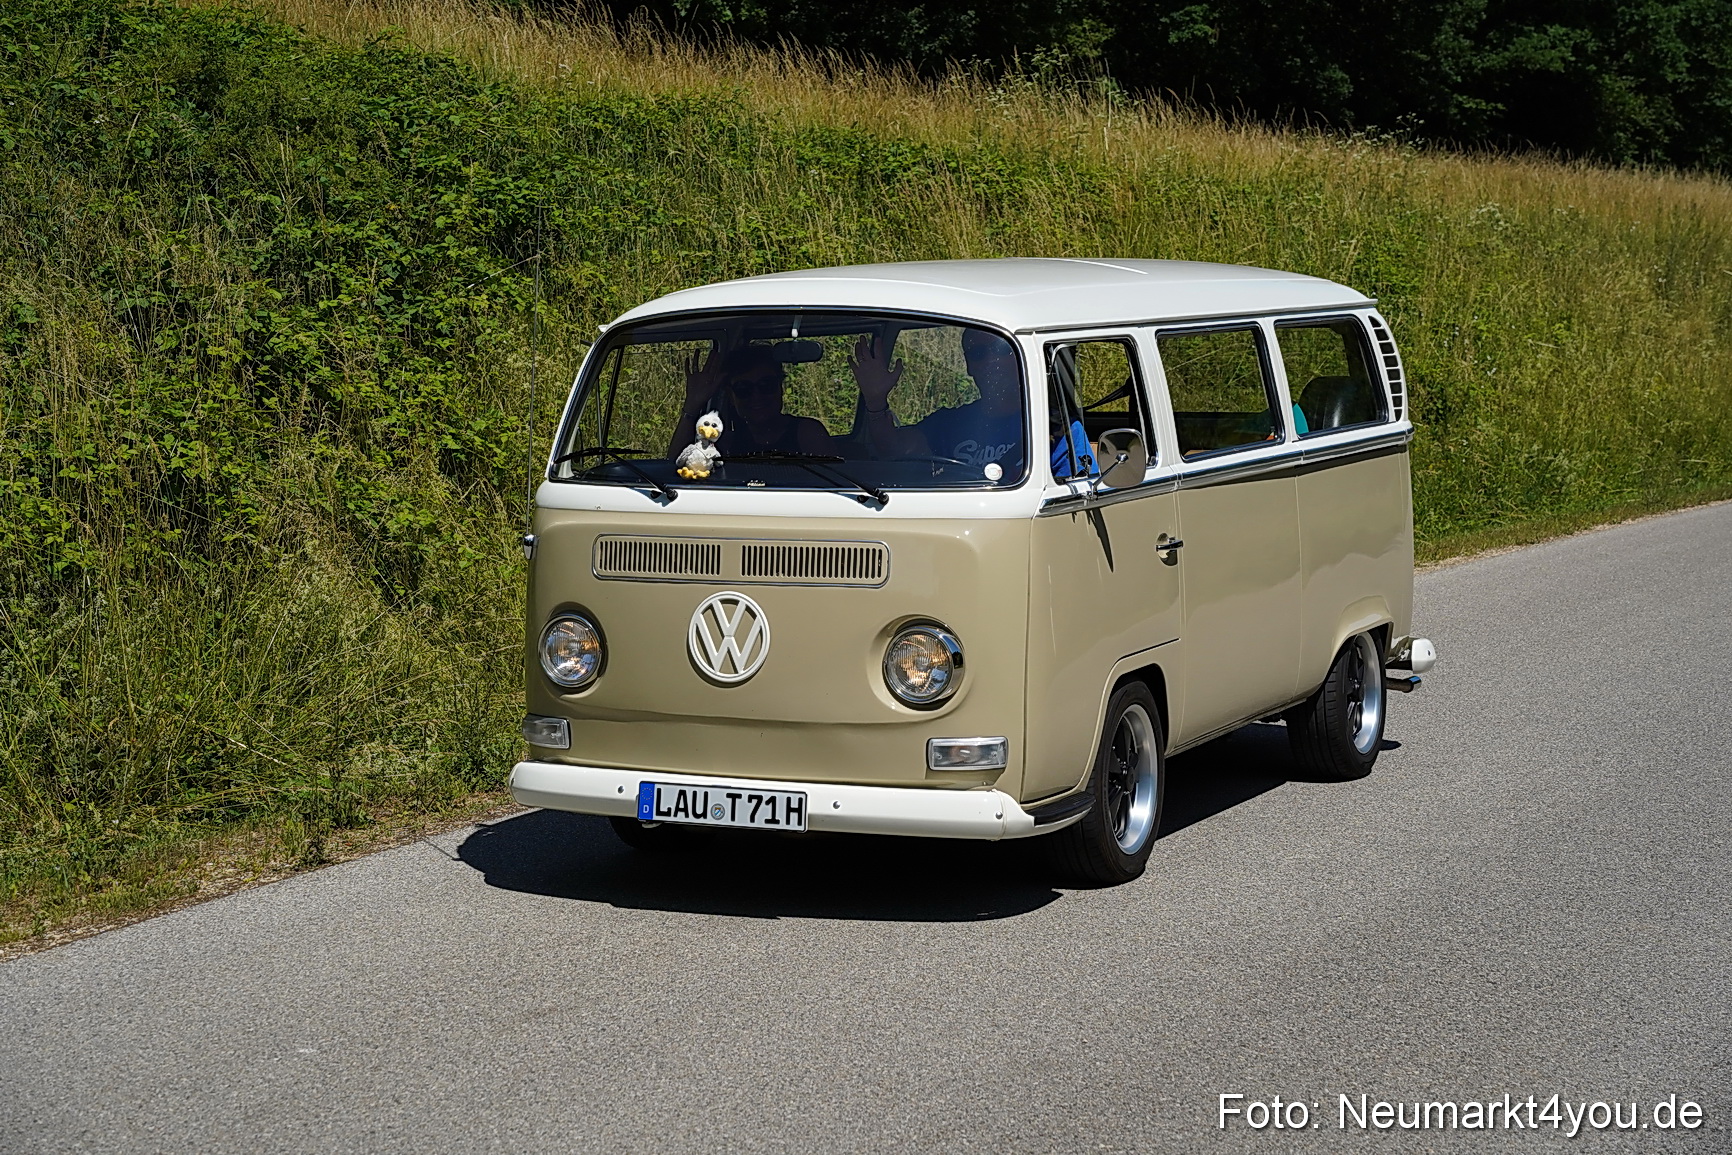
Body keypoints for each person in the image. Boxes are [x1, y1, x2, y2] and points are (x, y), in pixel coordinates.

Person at [850, 327, 1024, 471]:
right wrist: (875, 400)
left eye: (1001, 350)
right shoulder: (950, 423)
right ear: (969, 366)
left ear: (1020, 358)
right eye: (978, 353)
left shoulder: (1043, 424)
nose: (991, 359)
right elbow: (893, 449)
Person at [668, 345, 832, 460]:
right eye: (744, 389)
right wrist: (692, 405)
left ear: (780, 388)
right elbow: (674, 466)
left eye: (766, 385)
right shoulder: (727, 442)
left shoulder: (806, 433)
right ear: (731, 397)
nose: (756, 396)